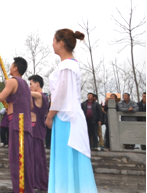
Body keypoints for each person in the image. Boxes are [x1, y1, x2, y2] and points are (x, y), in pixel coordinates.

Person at [46, 29, 97, 192]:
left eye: (53, 40)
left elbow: (61, 96)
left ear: (61, 43)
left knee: (65, 161)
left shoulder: (67, 66)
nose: (52, 44)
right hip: (67, 117)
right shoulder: (69, 64)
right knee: (69, 161)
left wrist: (49, 116)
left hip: (65, 119)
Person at [0, 57, 35, 193]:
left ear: (15, 68)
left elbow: (0, 97)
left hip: (16, 123)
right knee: (25, 159)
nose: (9, 67)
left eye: (11, 65)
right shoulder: (25, 85)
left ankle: (19, 189)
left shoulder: (12, 81)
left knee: (16, 159)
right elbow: (31, 105)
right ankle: (26, 189)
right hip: (25, 123)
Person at [28, 74, 49, 191]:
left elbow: (27, 93)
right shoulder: (34, 97)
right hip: (32, 129)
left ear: (37, 84)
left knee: (38, 158)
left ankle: (42, 183)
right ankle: (35, 182)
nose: (29, 86)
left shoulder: (41, 96)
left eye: (31, 84)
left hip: (37, 130)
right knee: (33, 158)